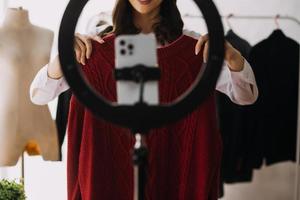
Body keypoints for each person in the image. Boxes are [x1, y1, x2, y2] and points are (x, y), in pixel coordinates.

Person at [30, 0, 258, 199]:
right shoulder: (93, 49)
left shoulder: (197, 50)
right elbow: (39, 95)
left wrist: (232, 56)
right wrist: (62, 57)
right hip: (106, 177)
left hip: (175, 176)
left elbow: (246, 95)